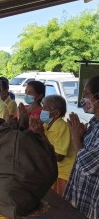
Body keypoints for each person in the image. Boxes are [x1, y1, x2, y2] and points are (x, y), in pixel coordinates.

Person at [64, 76, 99, 219]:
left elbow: (88, 165)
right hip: (82, 198)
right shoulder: (94, 123)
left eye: (86, 94)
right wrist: (82, 136)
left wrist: (76, 137)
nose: (83, 98)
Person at [30, 95, 76, 196]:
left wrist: (41, 134)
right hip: (52, 171)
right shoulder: (46, 125)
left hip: (63, 174)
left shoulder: (62, 127)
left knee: (60, 204)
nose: (42, 110)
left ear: (56, 113)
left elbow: (58, 156)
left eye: (45, 108)